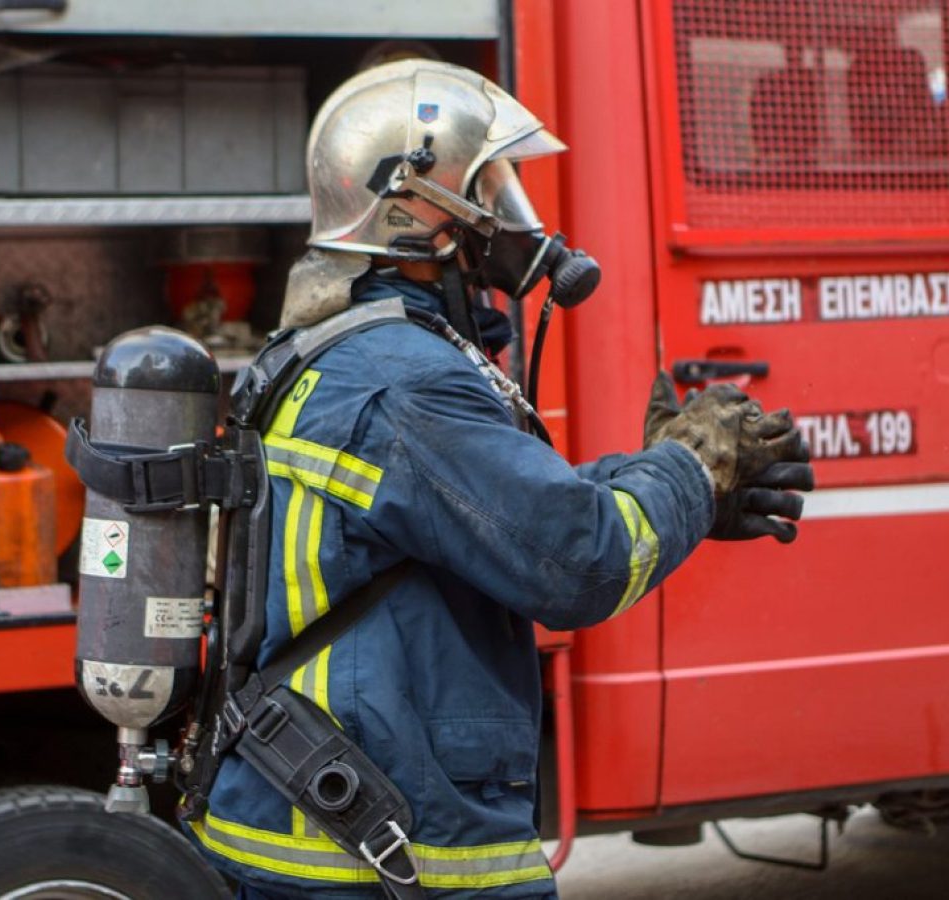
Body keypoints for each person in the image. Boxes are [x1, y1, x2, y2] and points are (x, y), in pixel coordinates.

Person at [181, 58, 812, 899]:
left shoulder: (344, 350)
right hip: (380, 849)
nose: (517, 220)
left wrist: (680, 492)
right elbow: (580, 562)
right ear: (414, 206)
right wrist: (694, 466)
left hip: (315, 816)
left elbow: (477, 517)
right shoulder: (403, 377)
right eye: (492, 186)